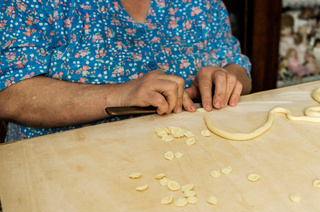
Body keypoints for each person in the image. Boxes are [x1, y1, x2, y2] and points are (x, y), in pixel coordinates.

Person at [0, 0, 252, 142]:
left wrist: (226, 78)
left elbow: (237, 66)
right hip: (62, 171)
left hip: (188, 157)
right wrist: (120, 94)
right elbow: (9, 94)